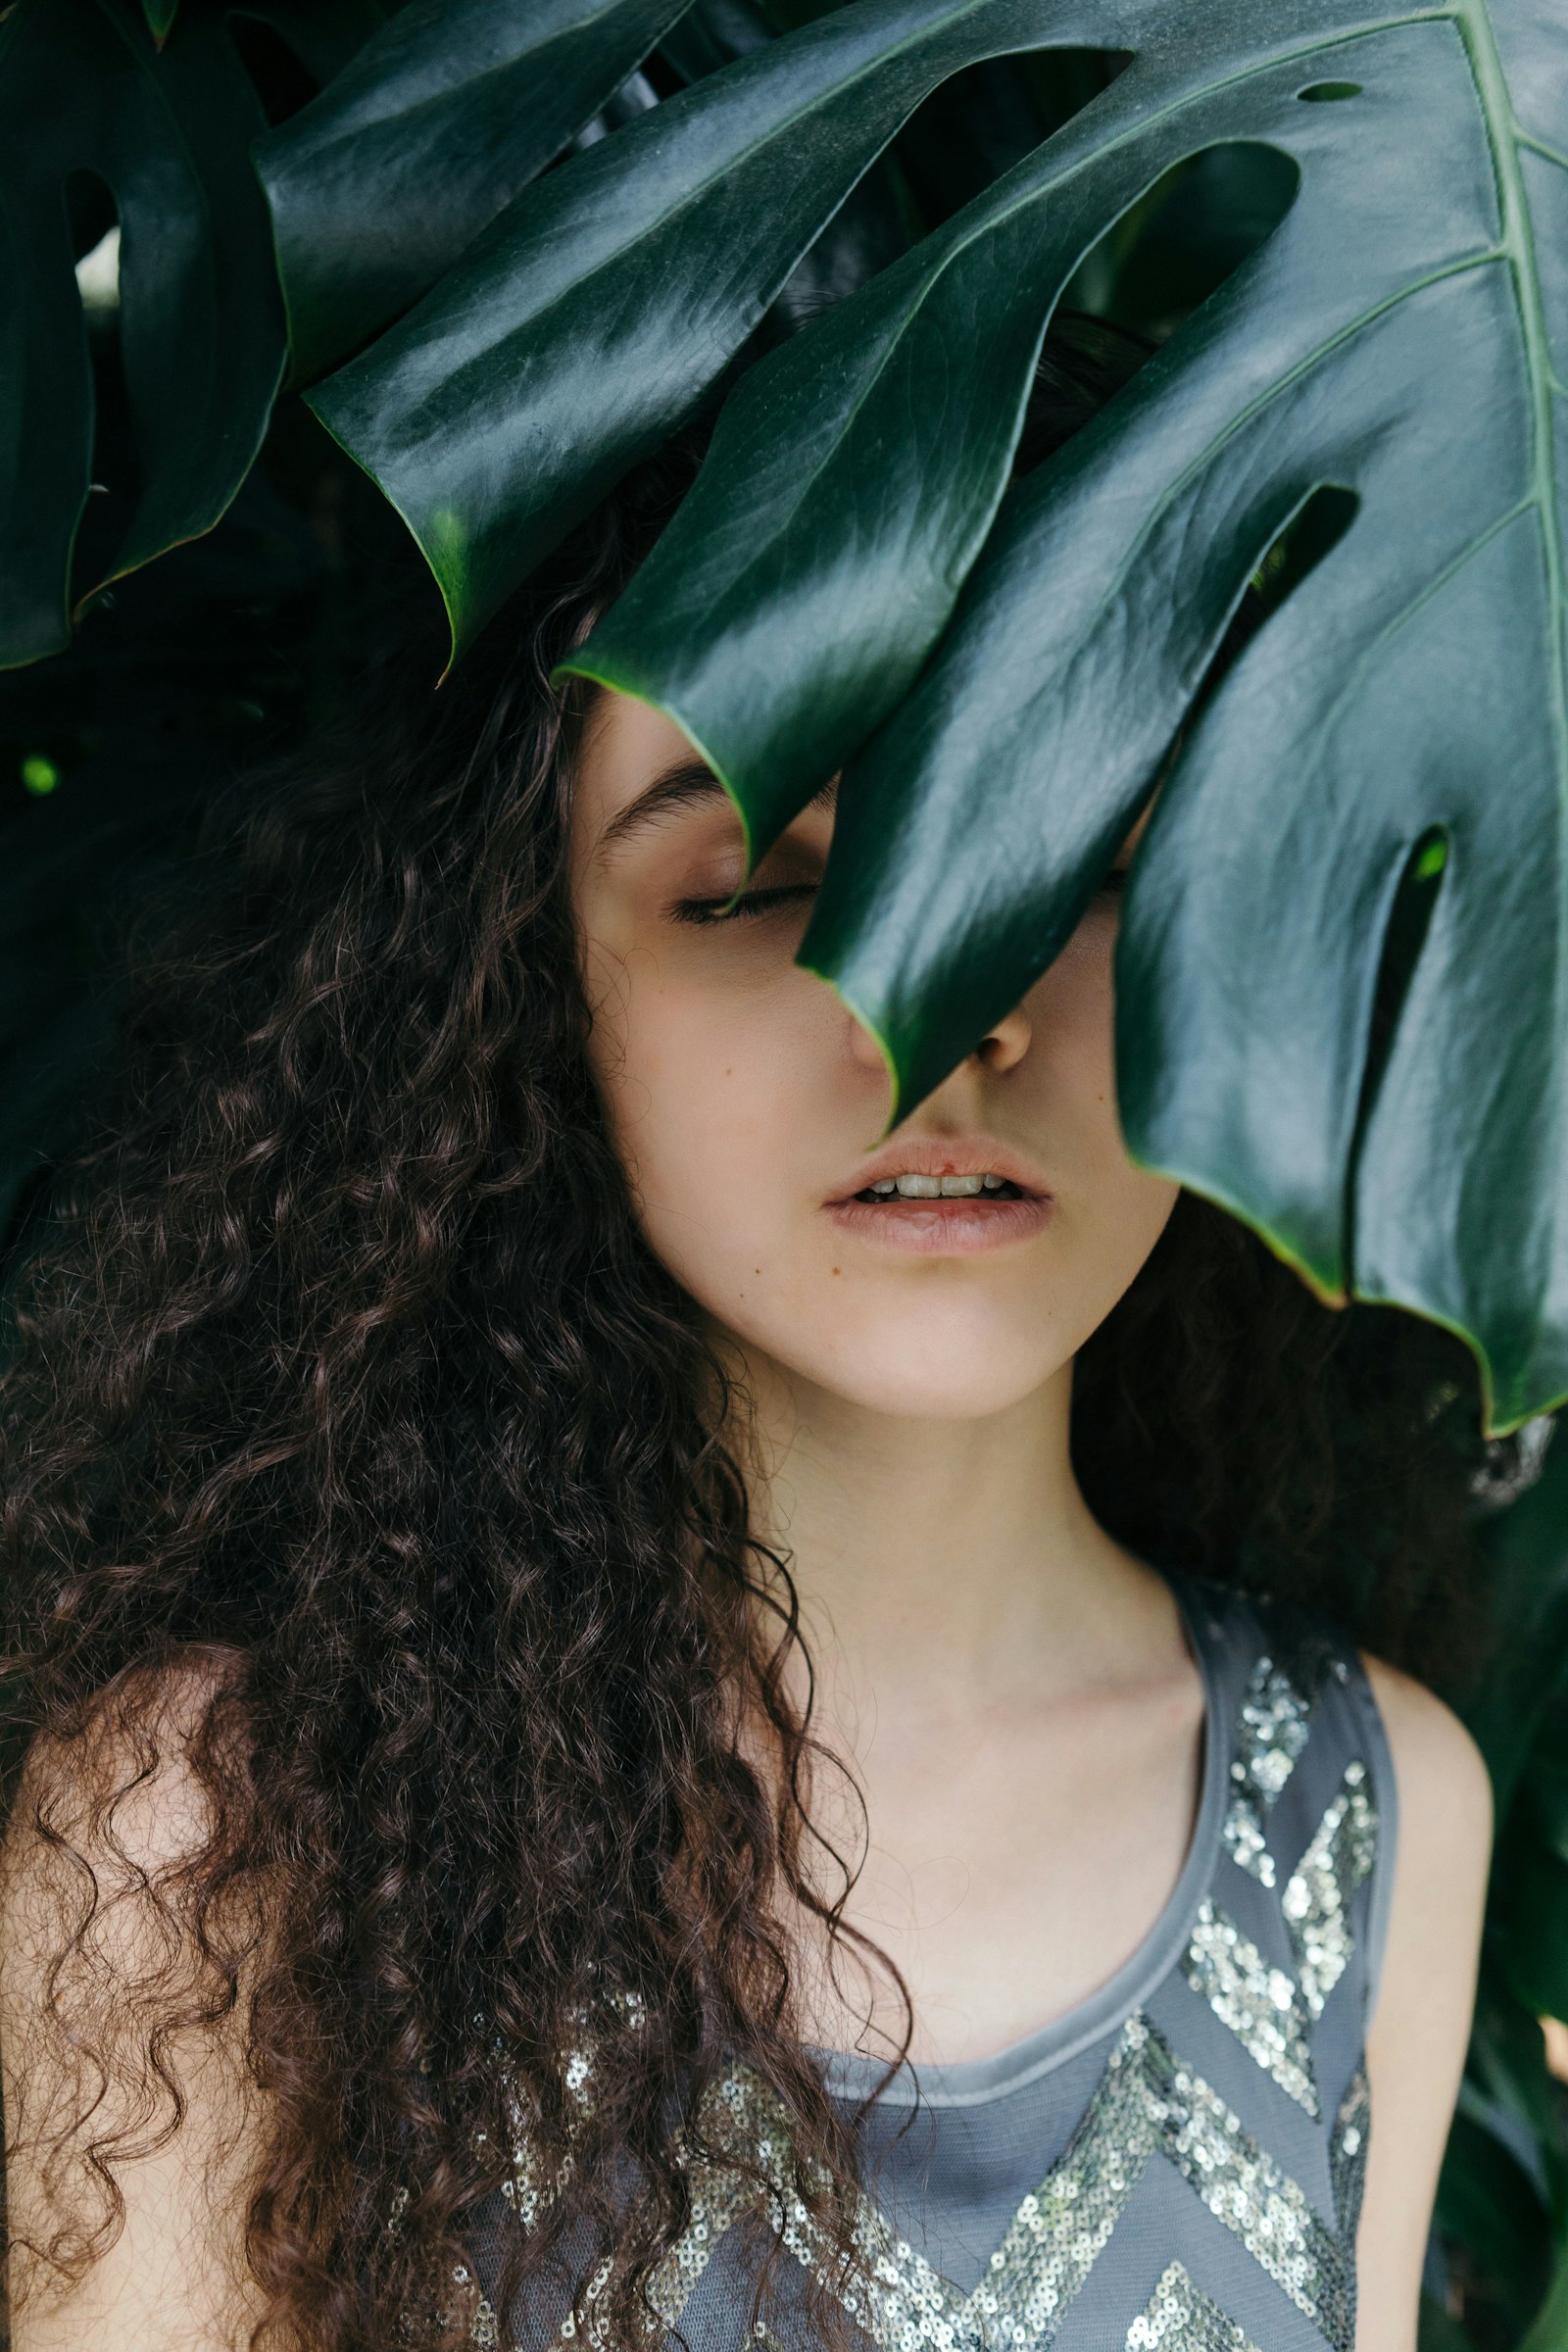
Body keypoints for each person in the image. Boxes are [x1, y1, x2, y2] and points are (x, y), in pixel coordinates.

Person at [0, 325, 1494, 2352]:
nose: (941, 1014)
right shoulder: (212, 1838)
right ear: (528, 987)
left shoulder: (1370, 1806)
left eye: (1072, 871)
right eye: (756, 888)